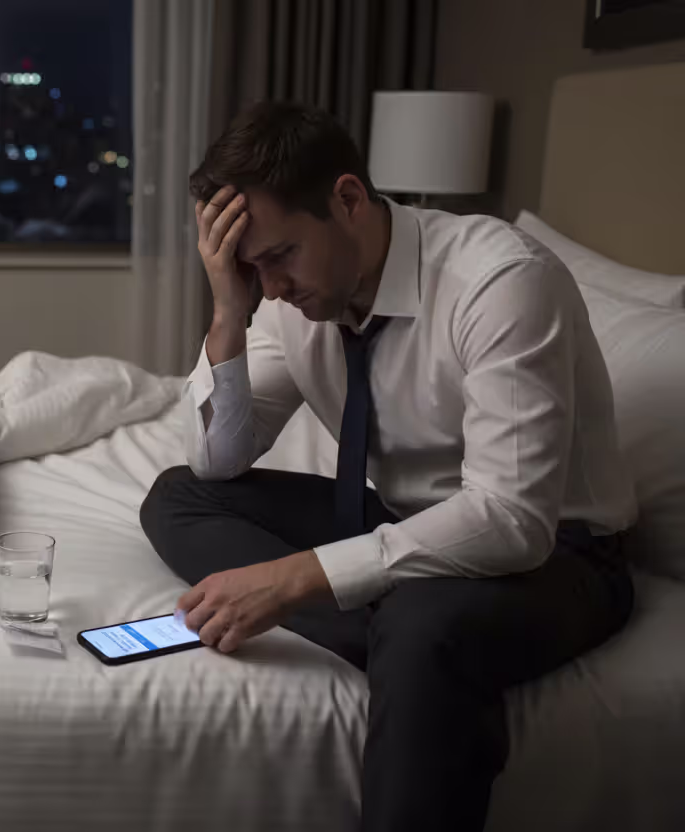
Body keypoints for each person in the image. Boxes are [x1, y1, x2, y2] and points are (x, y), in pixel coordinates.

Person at [138, 101, 637, 832]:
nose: (271, 287)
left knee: (420, 624)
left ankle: (402, 642)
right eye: (251, 267)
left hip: (558, 556)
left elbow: (510, 521)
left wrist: (294, 579)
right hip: (408, 523)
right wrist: (226, 313)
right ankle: (390, 635)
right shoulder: (285, 301)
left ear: (347, 199)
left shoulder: (500, 282)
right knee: (177, 498)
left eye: (279, 255)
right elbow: (217, 462)